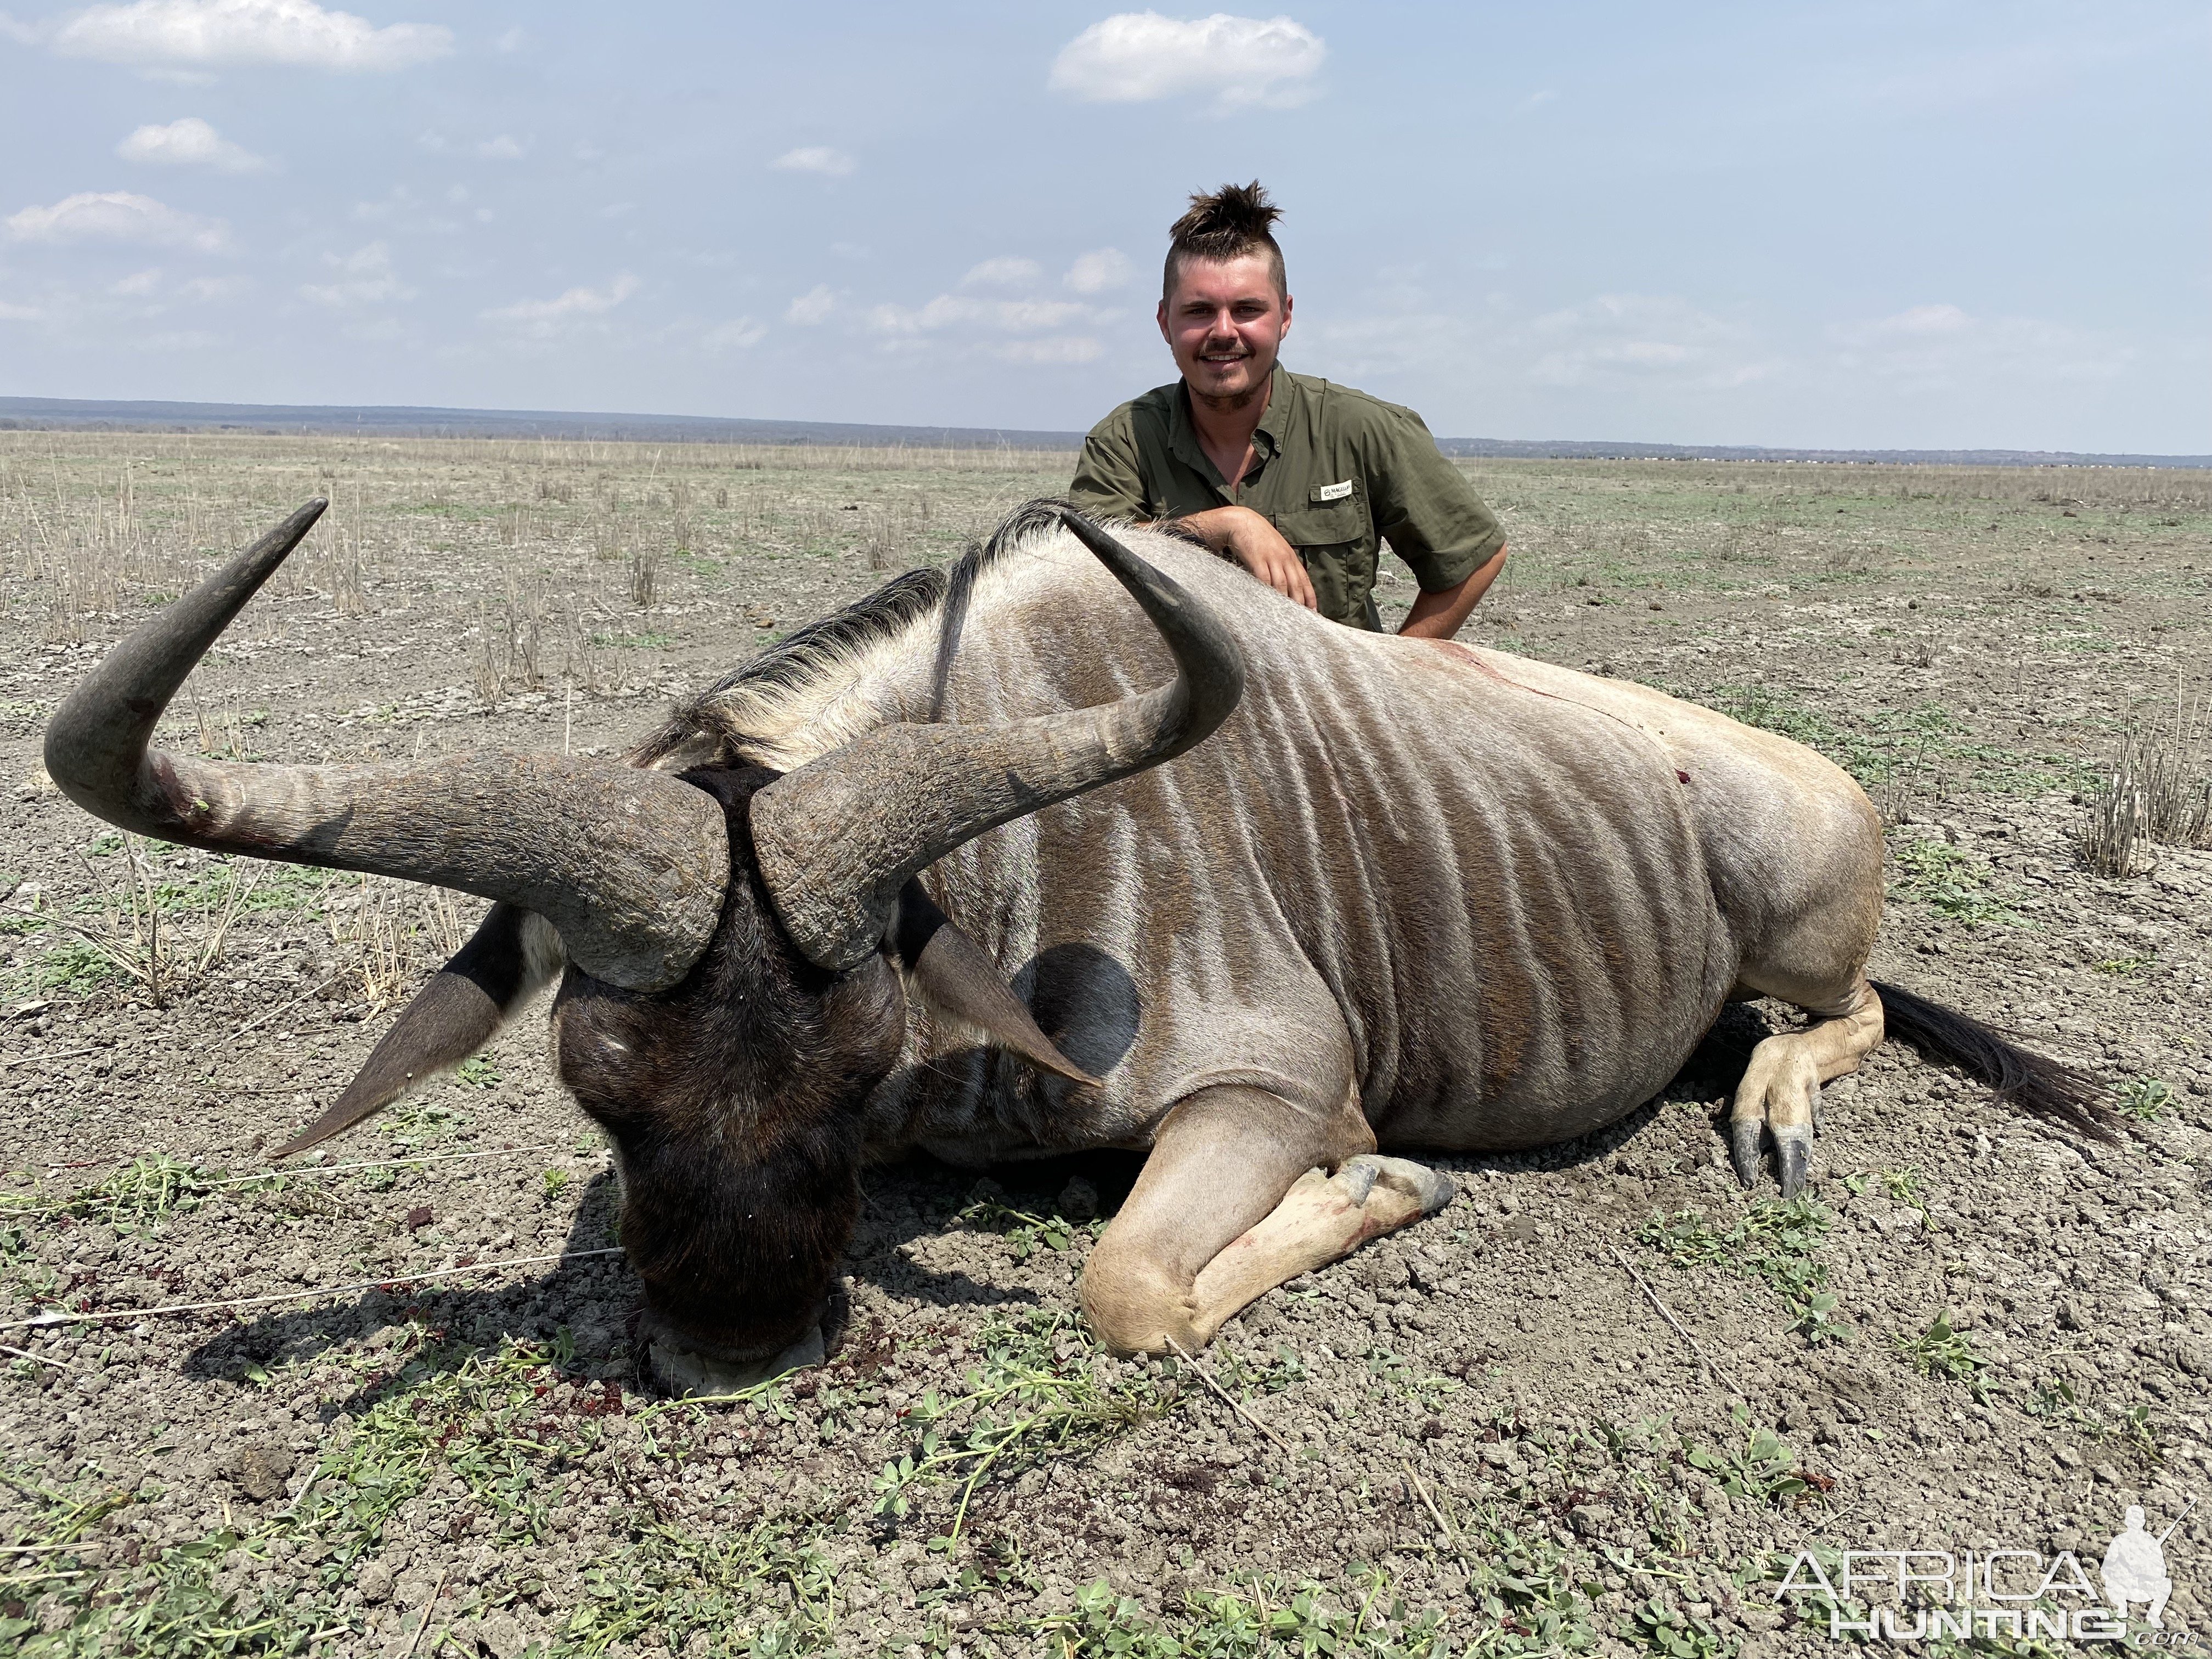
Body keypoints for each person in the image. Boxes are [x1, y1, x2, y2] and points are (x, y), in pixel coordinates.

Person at [1068, 181, 1508, 637]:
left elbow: (1474, 555)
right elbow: (1080, 571)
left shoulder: (1362, 429)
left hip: (1324, 705)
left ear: (1285, 317)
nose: (1223, 332)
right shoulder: (1124, 442)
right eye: (1199, 311)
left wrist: (1393, 681)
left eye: (1247, 309)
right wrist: (1223, 526)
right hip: (1183, 705)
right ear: (1165, 322)